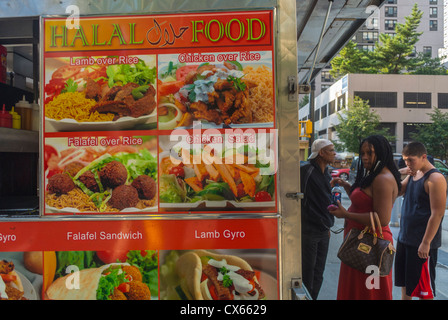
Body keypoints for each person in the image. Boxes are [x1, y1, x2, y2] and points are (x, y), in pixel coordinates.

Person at [328, 135, 401, 300]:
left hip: (371, 245)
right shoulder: (375, 174)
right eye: (362, 153)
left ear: (382, 153)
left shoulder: (382, 178)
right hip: (358, 243)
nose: (365, 157)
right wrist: (347, 186)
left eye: (370, 153)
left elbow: (382, 219)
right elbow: (364, 202)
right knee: (357, 290)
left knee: (369, 293)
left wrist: (345, 214)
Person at [395, 142, 447, 300]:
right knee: (406, 287)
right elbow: (397, 191)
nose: (408, 164)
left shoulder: (435, 178)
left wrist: (426, 242)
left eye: (410, 160)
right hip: (405, 239)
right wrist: (401, 172)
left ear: (423, 157)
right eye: (405, 160)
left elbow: (437, 214)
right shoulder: (413, 174)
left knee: (424, 291)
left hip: (422, 243)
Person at [300, 139, 336, 299]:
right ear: (321, 153)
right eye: (331, 150)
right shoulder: (306, 170)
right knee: (307, 272)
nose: (335, 153)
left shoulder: (327, 172)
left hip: (323, 230)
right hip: (308, 231)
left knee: (318, 273)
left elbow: (326, 201)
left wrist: (327, 226)